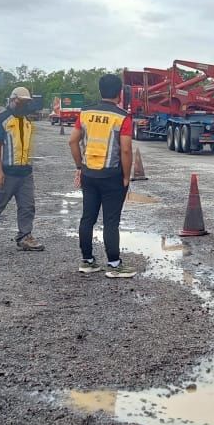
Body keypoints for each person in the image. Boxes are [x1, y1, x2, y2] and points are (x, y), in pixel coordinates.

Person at [68, 74, 135, 277]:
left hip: (89, 174)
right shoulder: (122, 117)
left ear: (100, 91)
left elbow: (72, 142)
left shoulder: (85, 113)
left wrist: (80, 167)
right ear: (120, 92)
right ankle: (114, 265)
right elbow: (125, 150)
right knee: (111, 221)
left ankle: (87, 261)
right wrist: (126, 176)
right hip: (112, 176)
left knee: (87, 218)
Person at [0, 86, 44, 251]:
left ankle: (25, 236)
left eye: (26, 102)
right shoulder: (2, 119)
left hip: (25, 171)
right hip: (7, 171)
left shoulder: (26, 120)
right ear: (13, 100)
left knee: (27, 205)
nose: (23, 105)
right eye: (21, 101)